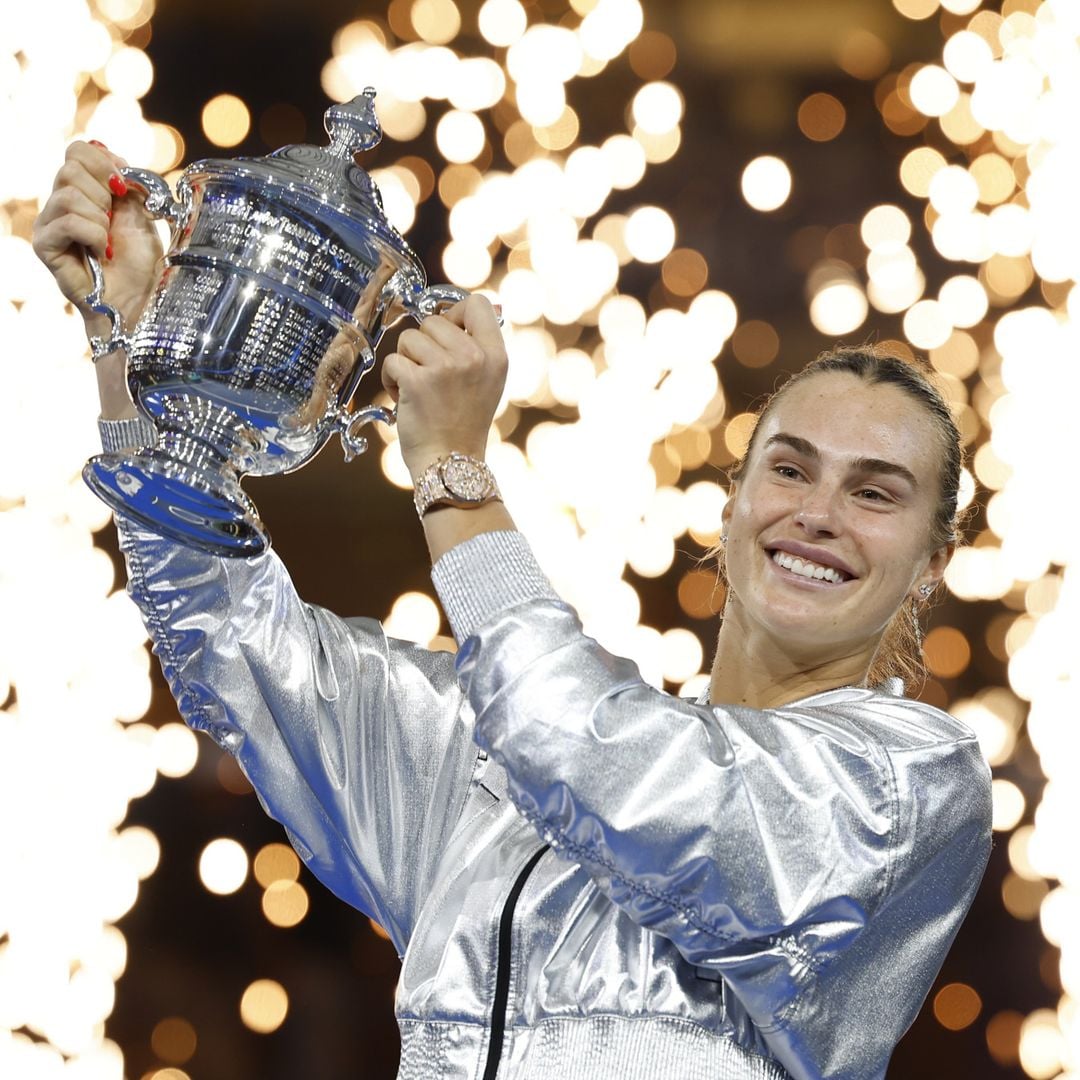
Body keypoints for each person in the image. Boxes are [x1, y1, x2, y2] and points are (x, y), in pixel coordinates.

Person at [34, 139, 992, 1080]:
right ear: (735, 503)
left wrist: (454, 474)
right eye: (789, 470)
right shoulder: (497, 753)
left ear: (930, 562)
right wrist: (133, 339)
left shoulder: (911, 787)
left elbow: (604, 756)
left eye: (875, 494)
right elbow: (237, 645)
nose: (817, 515)